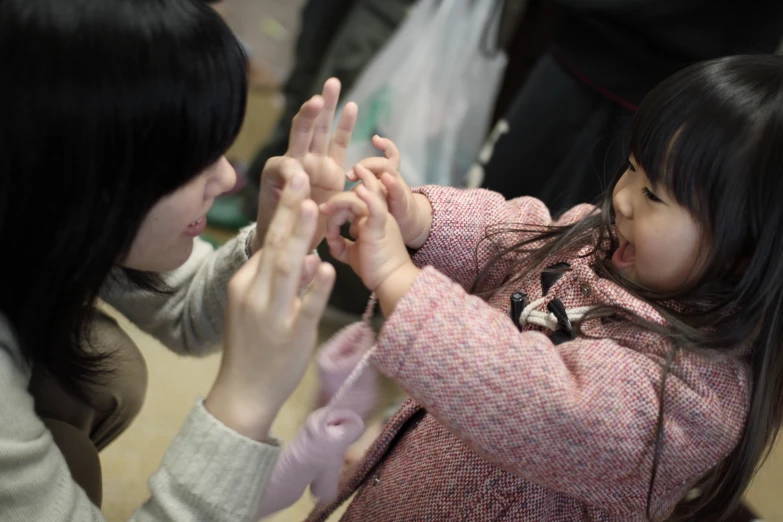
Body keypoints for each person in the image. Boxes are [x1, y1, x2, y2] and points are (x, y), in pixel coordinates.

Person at [313, 55, 783, 521]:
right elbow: (514, 236)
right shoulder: (603, 241)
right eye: (632, 167)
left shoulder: (690, 395)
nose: (620, 197)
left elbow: (539, 400)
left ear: (744, 251)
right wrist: (416, 220)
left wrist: (398, 278)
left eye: (653, 195)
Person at [0, 0, 359, 520]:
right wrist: (243, 407)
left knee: (100, 371)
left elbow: (185, 309)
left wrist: (275, 237)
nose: (230, 179)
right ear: (80, 172)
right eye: (195, 160)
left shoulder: (37, 206)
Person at [479, 0, 783, 214]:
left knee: (592, 252)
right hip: (574, 56)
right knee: (498, 207)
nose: (624, 199)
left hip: (678, 94)